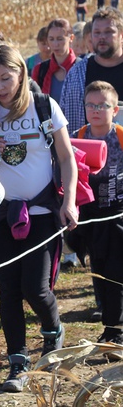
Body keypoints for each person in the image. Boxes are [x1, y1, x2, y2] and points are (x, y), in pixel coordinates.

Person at [0, 42, 78, 392]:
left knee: (37, 287)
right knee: (9, 290)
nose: (0, 87)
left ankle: (52, 334)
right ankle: (17, 362)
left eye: (6, 77)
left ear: (21, 73)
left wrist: (70, 202)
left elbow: (66, 158)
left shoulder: (45, 107)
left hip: (43, 211)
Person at [70, 81, 123, 360]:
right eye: (90, 105)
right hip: (89, 215)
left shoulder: (121, 136)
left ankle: (113, 332)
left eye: (102, 105)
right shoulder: (76, 136)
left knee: (115, 271)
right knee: (99, 269)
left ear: (114, 109)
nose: (95, 110)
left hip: (117, 214)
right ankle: (110, 318)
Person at [61, 7, 123, 134]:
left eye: (108, 32)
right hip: (88, 152)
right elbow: (65, 122)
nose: (102, 37)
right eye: (97, 32)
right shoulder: (76, 74)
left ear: (121, 35)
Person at [31, 19, 77, 103]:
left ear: (71, 38)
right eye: (51, 39)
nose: (55, 44)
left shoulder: (82, 68)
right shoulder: (40, 70)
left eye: (60, 39)